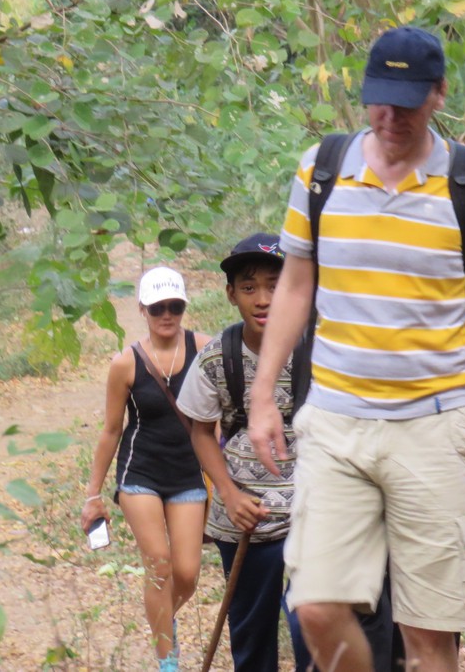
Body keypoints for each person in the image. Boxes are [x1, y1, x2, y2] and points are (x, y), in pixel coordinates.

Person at [247, 26, 465, 672]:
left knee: (428, 632)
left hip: (433, 425)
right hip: (336, 419)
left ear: (438, 95)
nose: (391, 117)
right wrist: (263, 395)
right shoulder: (322, 170)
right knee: (316, 606)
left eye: (407, 103)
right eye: (380, 100)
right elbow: (295, 285)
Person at [175, 233, 316, 671]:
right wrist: (229, 494)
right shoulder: (219, 357)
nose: (263, 299)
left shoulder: (318, 349)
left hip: (315, 509)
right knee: (252, 633)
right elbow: (201, 431)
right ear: (231, 293)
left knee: (313, 622)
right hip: (246, 518)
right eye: (249, 287)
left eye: (276, 285)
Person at [81, 266, 209, 672]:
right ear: (143, 310)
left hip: (188, 474)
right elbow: (111, 430)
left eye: (174, 306)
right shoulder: (126, 363)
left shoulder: (205, 349)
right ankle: (167, 662)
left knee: (186, 574)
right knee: (159, 564)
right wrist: (93, 494)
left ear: (184, 306)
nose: (166, 315)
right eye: (157, 308)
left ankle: (161, 622)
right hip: (141, 475)